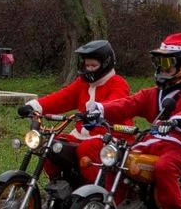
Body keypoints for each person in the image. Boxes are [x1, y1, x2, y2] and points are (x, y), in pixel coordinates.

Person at [89, 34, 181, 209]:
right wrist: (100, 109)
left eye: (168, 63)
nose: (162, 68)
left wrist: (178, 120)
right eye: (159, 62)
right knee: (119, 160)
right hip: (152, 142)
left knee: (164, 168)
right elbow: (127, 104)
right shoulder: (152, 94)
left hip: (179, 147)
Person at [18, 40, 131, 186]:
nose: (89, 69)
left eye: (93, 66)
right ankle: (57, 186)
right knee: (51, 146)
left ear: (105, 64)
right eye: (87, 65)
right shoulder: (82, 83)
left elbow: (116, 103)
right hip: (81, 136)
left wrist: (98, 111)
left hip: (111, 136)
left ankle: (94, 191)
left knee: (87, 149)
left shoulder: (118, 83)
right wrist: (36, 106)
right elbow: (62, 98)